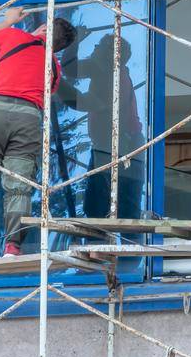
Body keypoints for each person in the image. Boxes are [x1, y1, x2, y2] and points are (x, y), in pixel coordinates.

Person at [0, 5, 78, 260]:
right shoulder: (55, 68)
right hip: (28, 119)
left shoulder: (15, 36)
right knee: (19, 188)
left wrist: (8, 21)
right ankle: (12, 248)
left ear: (45, 29)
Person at [62, 34, 145, 220]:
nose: (92, 51)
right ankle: (115, 247)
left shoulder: (111, 79)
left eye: (97, 47)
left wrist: (56, 84)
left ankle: (98, 248)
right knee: (121, 208)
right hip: (122, 145)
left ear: (108, 56)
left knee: (98, 206)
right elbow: (72, 71)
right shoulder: (118, 74)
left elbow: (80, 98)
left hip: (118, 145)